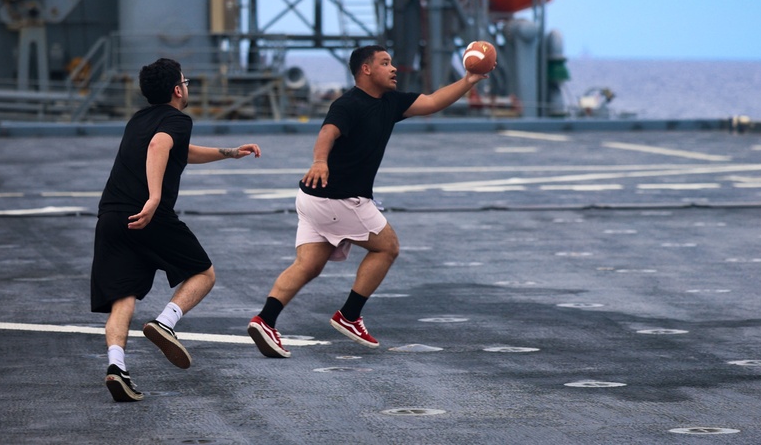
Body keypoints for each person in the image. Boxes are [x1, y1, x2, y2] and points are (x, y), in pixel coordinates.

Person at [248, 45, 488, 358]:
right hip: (340, 199)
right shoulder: (348, 103)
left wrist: (469, 80)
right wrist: (320, 160)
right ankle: (349, 315)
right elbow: (327, 133)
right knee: (387, 246)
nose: (393, 69)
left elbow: (431, 102)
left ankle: (264, 320)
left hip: (312, 199)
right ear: (366, 69)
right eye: (385, 63)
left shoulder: (391, 102)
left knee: (308, 265)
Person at [91, 58, 261, 402]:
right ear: (177, 89)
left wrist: (229, 152)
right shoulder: (177, 118)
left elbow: (179, 152)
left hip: (111, 217)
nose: (187, 88)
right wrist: (154, 199)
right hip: (148, 215)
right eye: (186, 82)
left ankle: (116, 367)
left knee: (123, 298)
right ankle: (166, 322)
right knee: (204, 273)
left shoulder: (138, 120)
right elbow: (160, 147)